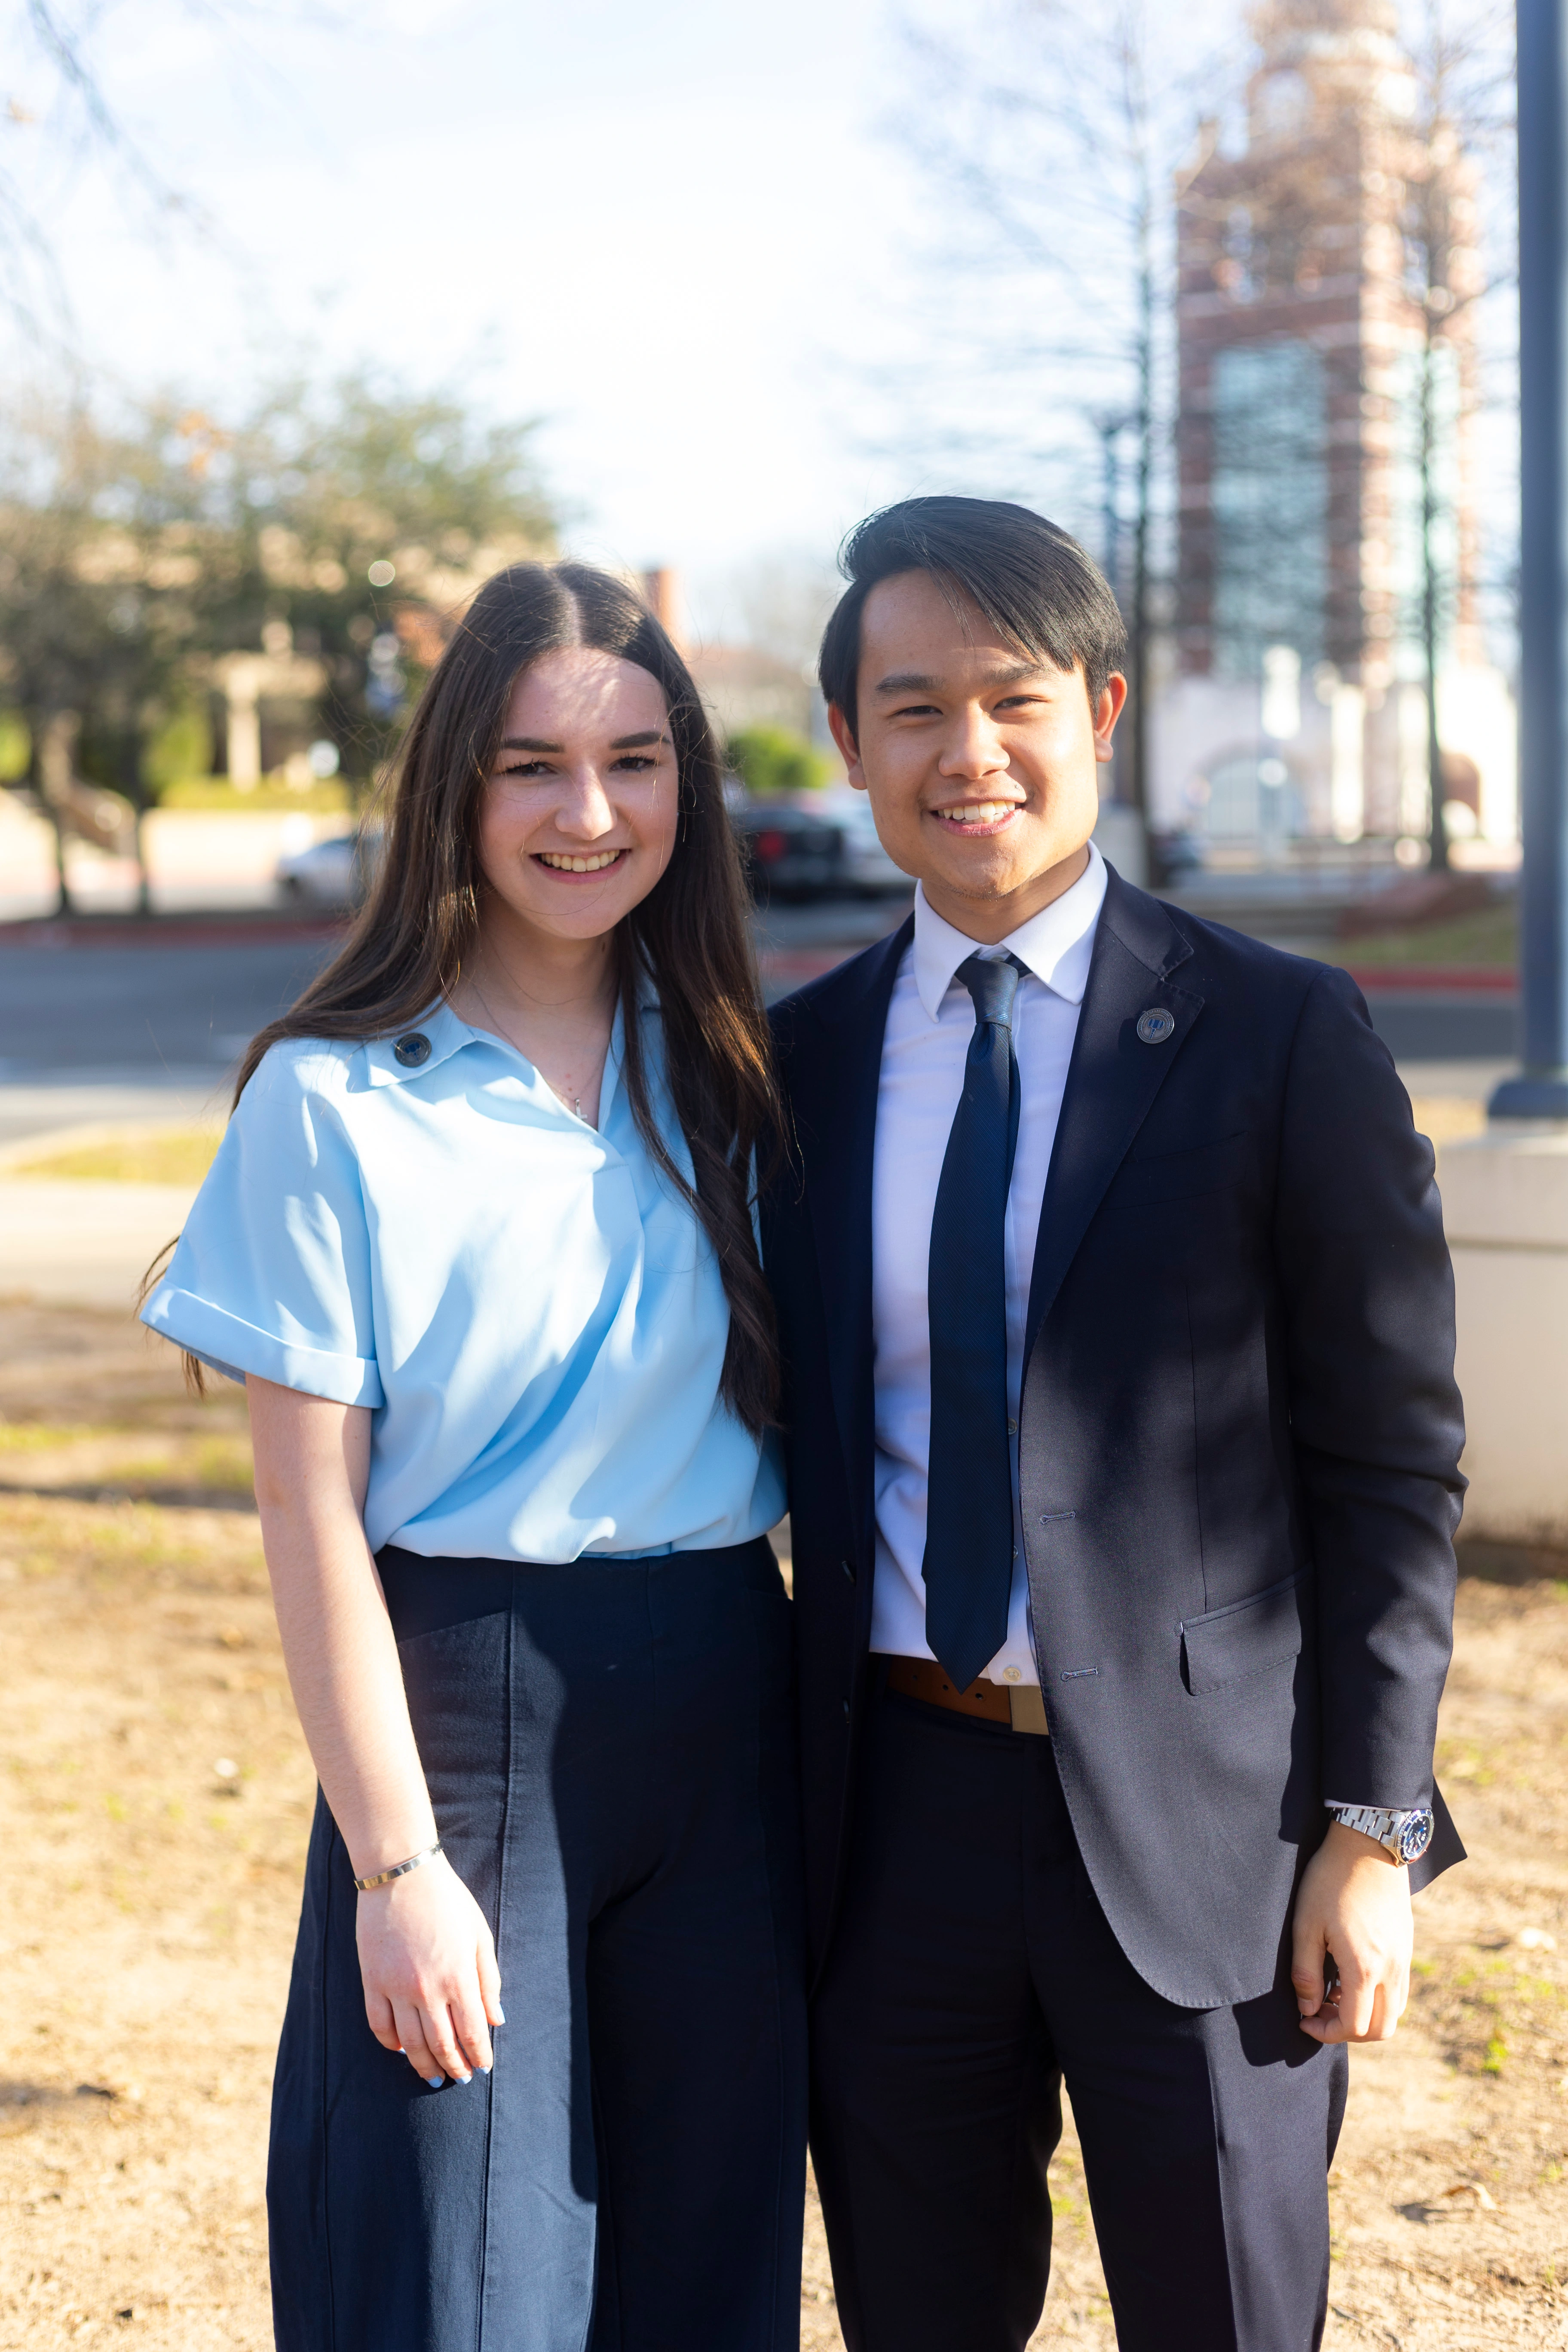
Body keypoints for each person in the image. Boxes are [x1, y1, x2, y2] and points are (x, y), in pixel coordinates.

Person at [761, 496, 1466, 2352]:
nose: (966, 752)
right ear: (850, 742)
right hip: (893, 1808)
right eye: (912, 708)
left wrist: (1372, 1829)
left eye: (1013, 698)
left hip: (1215, 1825)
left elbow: (1391, 1459)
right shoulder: (802, 1060)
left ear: (1103, 707)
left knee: (1226, 2316)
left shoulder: (1276, 1031)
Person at [141, 562, 806, 2352]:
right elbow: (310, 1521)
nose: (589, 815)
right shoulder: (335, 1095)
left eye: (636, 761)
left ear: (690, 784)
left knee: (705, 2272)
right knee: (459, 2289)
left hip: (730, 1710)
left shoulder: (739, 1072)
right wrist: (396, 1869)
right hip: (465, 1721)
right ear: (457, 786)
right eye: (532, 766)